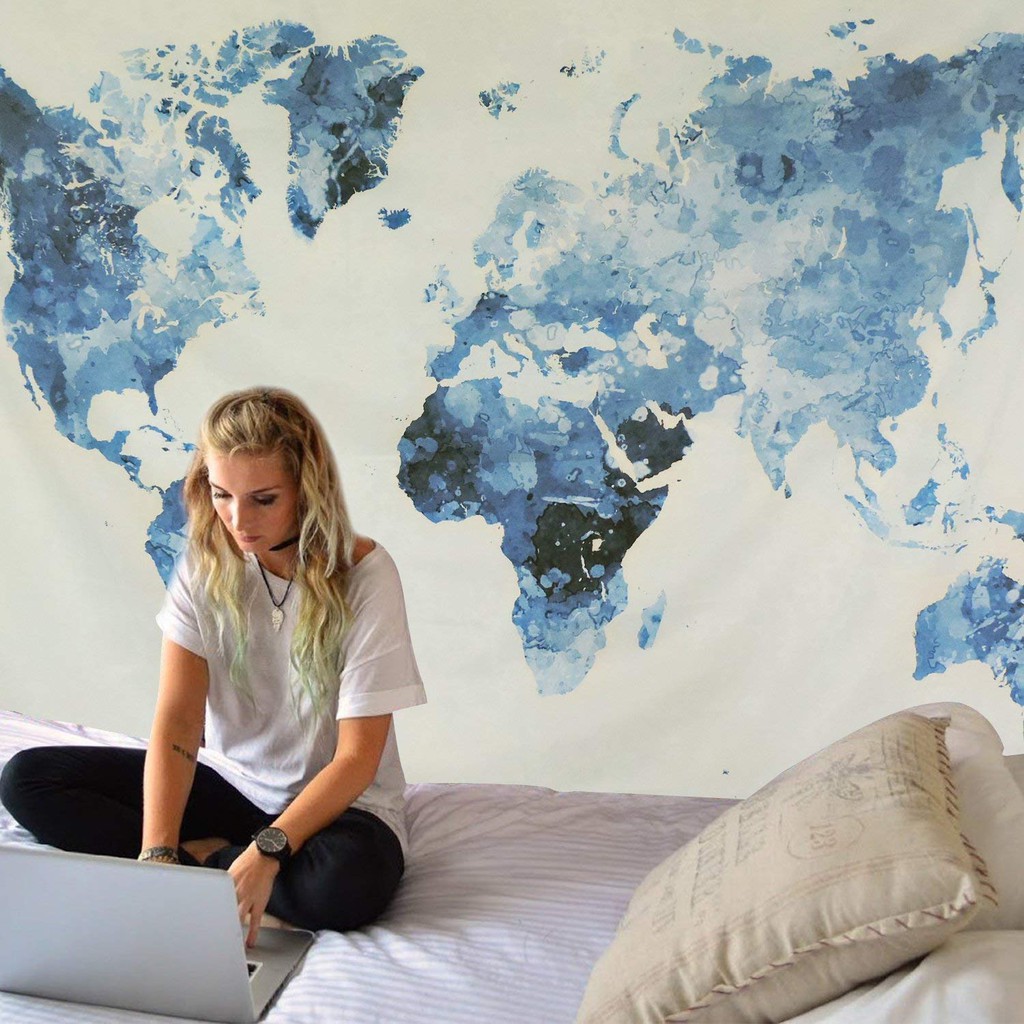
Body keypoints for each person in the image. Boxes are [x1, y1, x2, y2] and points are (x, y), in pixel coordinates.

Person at [0, 387, 427, 944]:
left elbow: (356, 759)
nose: (238, 520)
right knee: (29, 779)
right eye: (223, 495)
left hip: (339, 809)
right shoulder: (205, 566)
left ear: (308, 487)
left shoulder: (366, 574)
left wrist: (267, 851)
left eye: (263, 499)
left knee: (344, 887)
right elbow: (178, 722)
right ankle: (202, 865)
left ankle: (209, 861)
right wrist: (157, 853)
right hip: (235, 788)